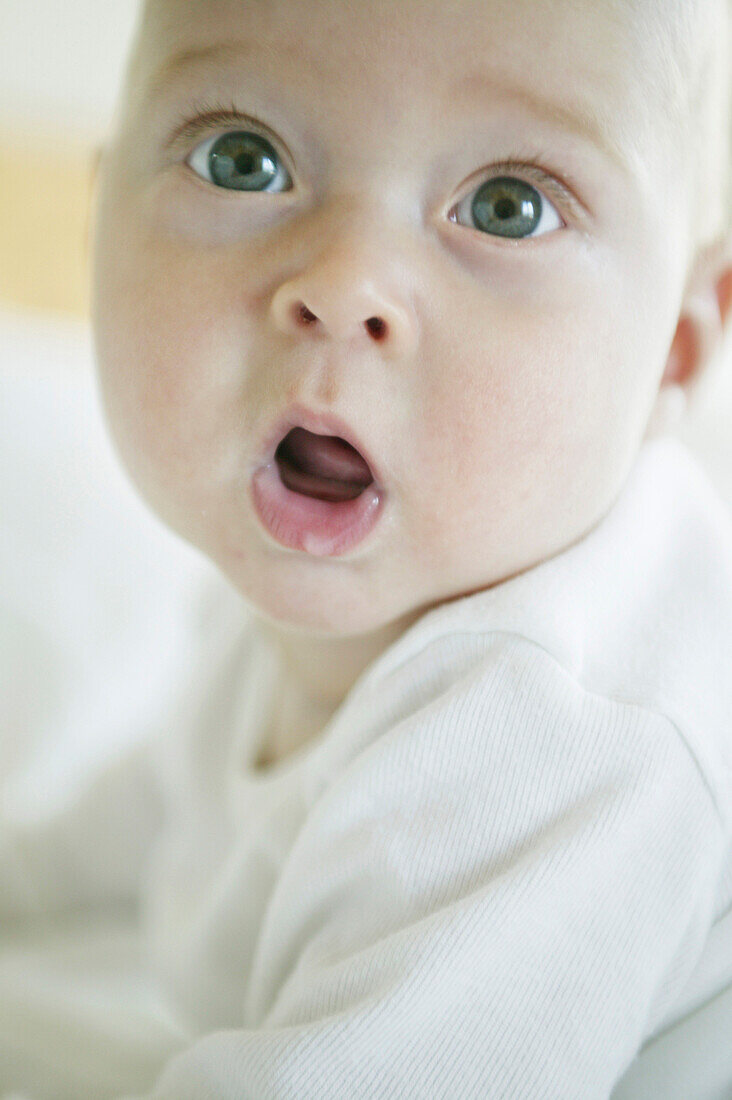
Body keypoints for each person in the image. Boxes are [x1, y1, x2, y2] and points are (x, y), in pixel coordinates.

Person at [3, 0, 732, 1096]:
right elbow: (165, 799)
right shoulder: (306, 588)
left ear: (673, 350)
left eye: (508, 204)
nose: (343, 283)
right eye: (242, 159)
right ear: (97, 209)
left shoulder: (557, 737)